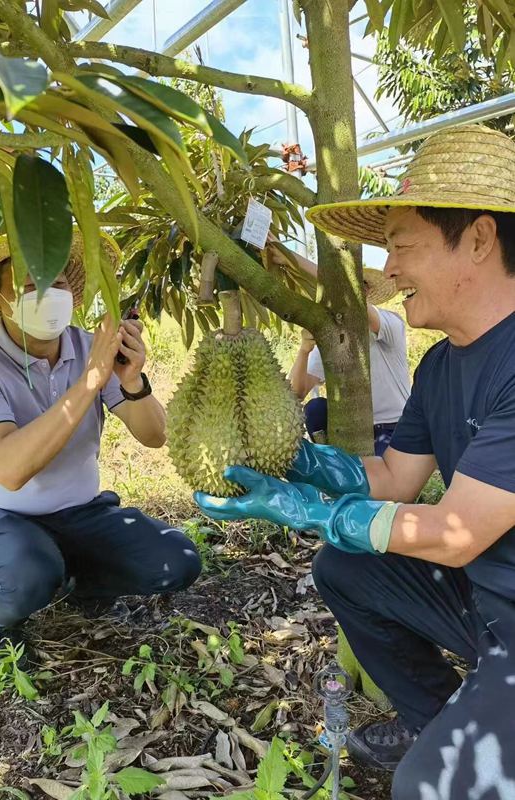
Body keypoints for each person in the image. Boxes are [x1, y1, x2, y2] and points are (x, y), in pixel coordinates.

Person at [196, 124, 515, 798]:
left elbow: (452, 535)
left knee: (424, 789)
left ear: (480, 240)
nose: (390, 270)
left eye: (402, 248)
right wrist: (303, 467)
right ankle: (437, 722)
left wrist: (310, 511)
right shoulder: (440, 364)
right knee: (346, 567)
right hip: (487, 600)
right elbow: (395, 479)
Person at [0, 228, 201, 669]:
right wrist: (91, 381)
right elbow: (9, 469)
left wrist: (131, 381)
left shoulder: (89, 348)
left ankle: (85, 584)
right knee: (25, 575)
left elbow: (155, 436)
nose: (47, 293)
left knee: (177, 561)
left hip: (80, 511)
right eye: (28, 286)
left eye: (57, 283)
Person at [269, 243, 410, 454]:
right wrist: (304, 350)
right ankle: (331, 457)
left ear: (367, 293)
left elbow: (349, 295)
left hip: (393, 427)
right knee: (315, 409)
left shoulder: (389, 325)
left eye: (359, 287)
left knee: (376, 483)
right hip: (349, 427)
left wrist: (292, 259)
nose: (347, 294)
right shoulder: (331, 338)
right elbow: (295, 393)